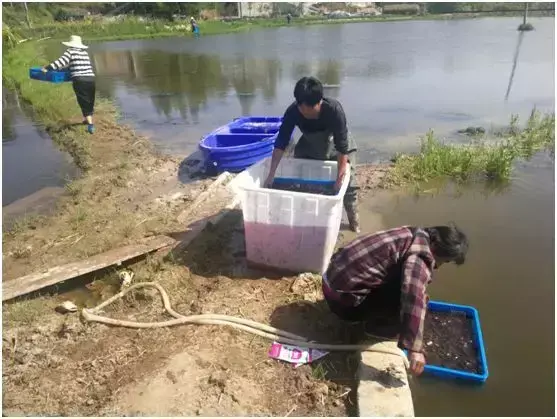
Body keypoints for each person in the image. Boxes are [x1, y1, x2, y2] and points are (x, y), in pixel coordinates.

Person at [322, 224, 469, 376]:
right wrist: (415, 349)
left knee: (404, 283)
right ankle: (376, 329)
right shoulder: (420, 256)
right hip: (343, 305)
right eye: (443, 262)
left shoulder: (412, 234)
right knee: (407, 301)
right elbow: (412, 297)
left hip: (330, 283)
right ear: (437, 250)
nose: (438, 267)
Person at [264, 76, 360, 232]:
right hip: (309, 146)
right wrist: (271, 174)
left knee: (348, 186)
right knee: (302, 182)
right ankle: (308, 220)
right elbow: (281, 143)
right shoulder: (293, 111)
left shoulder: (334, 110)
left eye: (308, 109)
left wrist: (340, 177)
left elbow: (342, 147)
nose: (304, 112)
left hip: (337, 147)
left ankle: (354, 224)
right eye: (301, 107)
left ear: (319, 102)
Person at [42, 35, 96, 135]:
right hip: (91, 79)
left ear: (71, 44)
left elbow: (60, 62)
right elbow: (74, 66)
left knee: (83, 100)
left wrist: (47, 68)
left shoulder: (70, 52)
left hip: (80, 80)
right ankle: (87, 119)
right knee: (89, 99)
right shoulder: (84, 53)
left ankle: (90, 125)